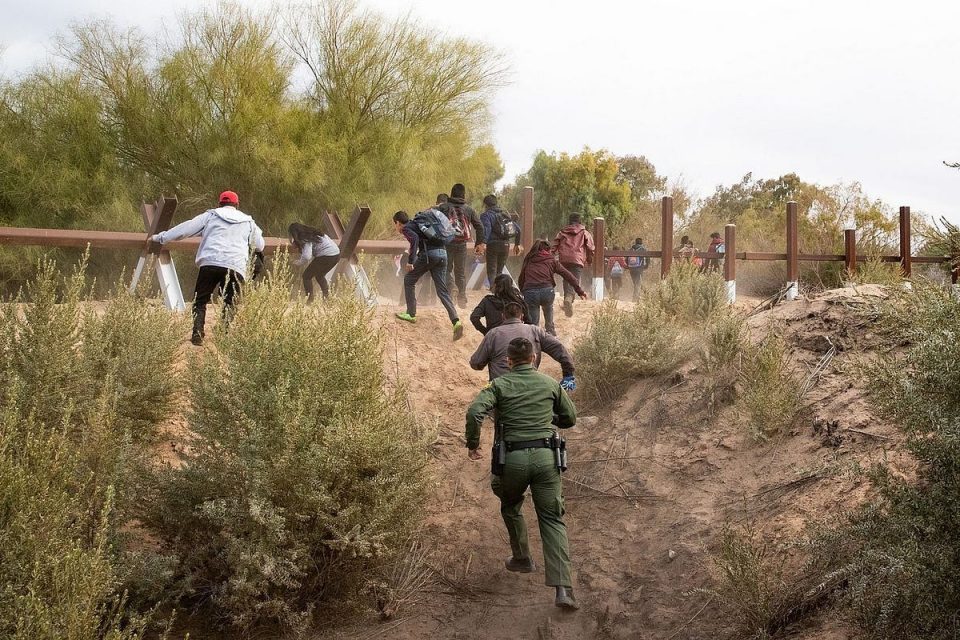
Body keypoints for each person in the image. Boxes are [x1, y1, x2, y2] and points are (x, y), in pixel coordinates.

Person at [465, 337, 580, 610]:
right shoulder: (550, 383)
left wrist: (473, 444)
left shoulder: (499, 385)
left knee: (510, 502)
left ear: (508, 361)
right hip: (546, 458)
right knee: (552, 519)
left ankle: (522, 558)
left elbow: (474, 411)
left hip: (512, 460)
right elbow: (570, 419)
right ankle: (563, 589)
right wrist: (550, 419)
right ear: (534, 358)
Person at [151, 190, 264, 346]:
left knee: (200, 300)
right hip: (235, 265)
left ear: (220, 204)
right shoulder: (249, 222)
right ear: (237, 205)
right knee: (229, 301)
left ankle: (197, 334)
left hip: (210, 262)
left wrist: (160, 237)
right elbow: (260, 245)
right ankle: (223, 334)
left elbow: (184, 230)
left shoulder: (211, 216)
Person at [393, 210, 465, 340]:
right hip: (443, 254)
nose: (396, 227)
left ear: (398, 223)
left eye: (395, 225)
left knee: (409, 279)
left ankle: (411, 313)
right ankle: (456, 322)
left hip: (429, 255)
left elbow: (414, 240)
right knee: (442, 290)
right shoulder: (421, 224)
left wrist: (410, 261)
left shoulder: (407, 228)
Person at [469, 300, 575, 384]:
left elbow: (476, 363)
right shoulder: (535, 331)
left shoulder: (493, 334)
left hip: (501, 389)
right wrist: (568, 374)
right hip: (530, 386)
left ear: (503, 316)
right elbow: (559, 348)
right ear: (522, 316)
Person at [518, 240, 587, 336]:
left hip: (530, 292)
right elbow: (567, 275)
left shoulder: (528, 259)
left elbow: (522, 277)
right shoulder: (551, 260)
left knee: (533, 324)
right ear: (547, 250)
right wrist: (579, 291)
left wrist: (523, 291)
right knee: (548, 310)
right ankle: (550, 333)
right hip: (547, 291)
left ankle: (534, 342)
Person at [437, 184, 485, 307]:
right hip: (462, 244)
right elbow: (479, 226)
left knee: (446, 270)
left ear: (451, 193)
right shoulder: (469, 209)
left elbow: (432, 221)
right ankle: (462, 297)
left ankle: (451, 287)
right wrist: (479, 243)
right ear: (463, 194)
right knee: (460, 272)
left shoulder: (443, 207)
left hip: (446, 243)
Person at [553, 213, 594, 317]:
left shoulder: (562, 232)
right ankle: (569, 299)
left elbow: (554, 246)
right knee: (574, 281)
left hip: (564, 260)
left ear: (569, 221)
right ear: (579, 221)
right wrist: (589, 260)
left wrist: (549, 257)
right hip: (577, 260)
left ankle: (567, 299)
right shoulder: (585, 232)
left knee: (566, 279)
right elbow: (590, 248)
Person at [288, 222, 340, 301]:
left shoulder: (305, 238)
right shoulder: (314, 233)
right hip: (336, 254)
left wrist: (298, 263)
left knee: (306, 276)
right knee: (320, 276)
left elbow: (307, 256)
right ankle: (327, 299)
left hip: (326, 256)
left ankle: (310, 300)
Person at [480, 195, 523, 290]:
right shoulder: (504, 214)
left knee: (491, 270)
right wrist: (517, 244)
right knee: (499, 271)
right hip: (505, 245)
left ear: (485, 204)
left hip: (493, 245)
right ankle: (499, 291)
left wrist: (483, 243)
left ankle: (494, 291)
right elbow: (518, 230)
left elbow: (487, 229)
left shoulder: (486, 215)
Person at [626, 237, 649, 301]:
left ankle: (636, 297)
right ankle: (635, 298)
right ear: (641, 243)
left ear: (635, 242)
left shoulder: (630, 249)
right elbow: (648, 258)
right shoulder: (643, 249)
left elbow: (626, 259)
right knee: (638, 283)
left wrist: (628, 266)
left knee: (635, 283)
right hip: (639, 268)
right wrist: (646, 266)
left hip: (631, 269)